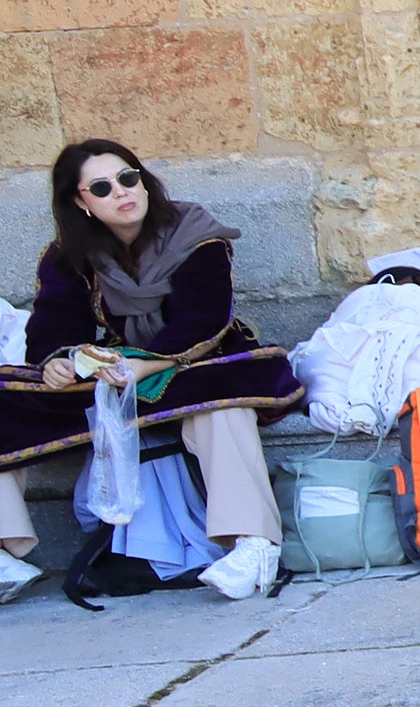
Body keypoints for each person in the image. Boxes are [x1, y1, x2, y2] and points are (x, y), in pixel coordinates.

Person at [2, 141, 306, 602]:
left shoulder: (196, 235)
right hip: (117, 369)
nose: (122, 192)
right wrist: (60, 360)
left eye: (128, 177)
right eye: (102, 187)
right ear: (81, 202)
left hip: (197, 360)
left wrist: (143, 366)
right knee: (7, 401)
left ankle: (253, 546)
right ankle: (4, 554)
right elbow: (56, 320)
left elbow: (202, 320)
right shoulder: (69, 255)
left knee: (219, 407)